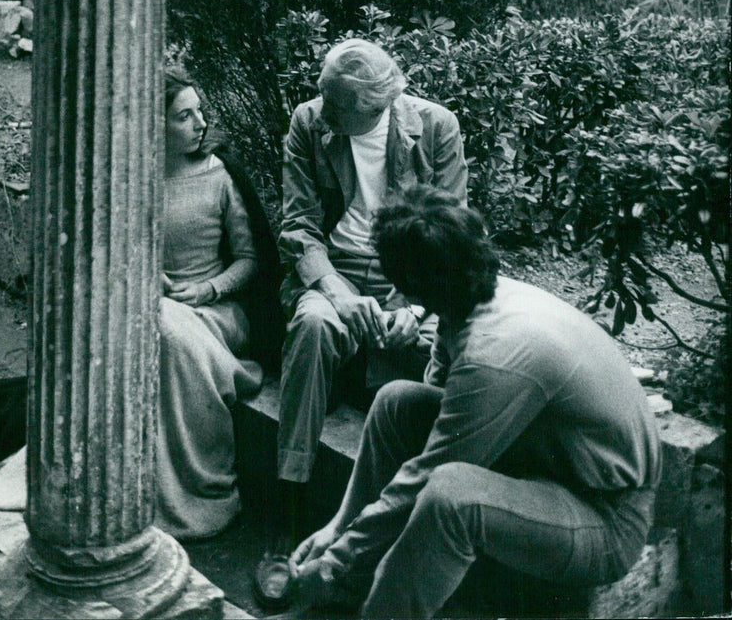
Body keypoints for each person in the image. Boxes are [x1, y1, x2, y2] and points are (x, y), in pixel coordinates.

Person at [288, 185, 662, 618]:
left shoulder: (496, 351)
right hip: (549, 468)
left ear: (412, 286)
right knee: (397, 401)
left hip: (608, 520)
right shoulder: (469, 296)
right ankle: (349, 582)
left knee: (451, 495)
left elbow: (424, 477)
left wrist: (333, 564)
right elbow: (436, 412)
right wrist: (338, 528)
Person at [254, 39, 469, 608]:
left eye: (335, 101)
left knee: (445, 353)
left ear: (376, 103)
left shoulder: (435, 128)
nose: (321, 108)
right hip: (336, 272)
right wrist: (335, 290)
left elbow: (448, 235)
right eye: (322, 93)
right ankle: (288, 511)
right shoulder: (309, 123)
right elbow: (298, 225)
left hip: (411, 277)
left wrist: (414, 305)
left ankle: (404, 533)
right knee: (314, 326)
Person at [157, 66, 283, 539]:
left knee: (167, 332)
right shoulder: (133, 178)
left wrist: (207, 290)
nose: (200, 123)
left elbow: (252, 260)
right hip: (158, 307)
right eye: (183, 116)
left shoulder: (220, 174)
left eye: (200, 111)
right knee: (157, 329)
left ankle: (202, 484)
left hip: (218, 312)